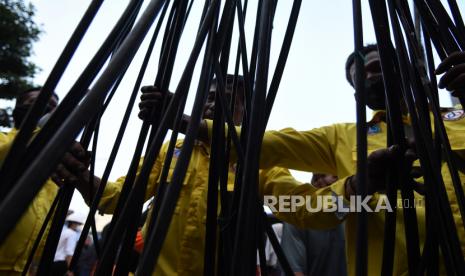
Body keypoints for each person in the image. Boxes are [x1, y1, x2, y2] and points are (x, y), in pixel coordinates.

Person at [233, 47, 465, 275]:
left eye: (376, 67)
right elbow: (269, 145)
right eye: (360, 77)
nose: (371, 77)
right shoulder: (344, 138)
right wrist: (203, 129)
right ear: (357, 95)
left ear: (408, 67)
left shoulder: (459, 115)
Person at [56, 75, 298, 275]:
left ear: (247, 113)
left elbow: (296, 205)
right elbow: (118, 198)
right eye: (210, 99)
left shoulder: (260, 161)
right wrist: (78, 173)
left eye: (226, 101)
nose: (213, 106)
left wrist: (335, 202)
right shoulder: (170, 151)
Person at [0, 87, 60, 275]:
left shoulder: (52, 169)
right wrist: (42, 128)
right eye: (37, 102)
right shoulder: (2, 139)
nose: (47, 109)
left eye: (53, 107)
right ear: (20, 107)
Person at [280, 174, 347, 276]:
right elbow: (295, 271)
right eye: (316, 178)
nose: (320, 181)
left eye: (325, 175)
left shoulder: (365, 210)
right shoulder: (297, 217)